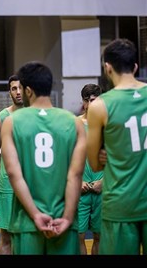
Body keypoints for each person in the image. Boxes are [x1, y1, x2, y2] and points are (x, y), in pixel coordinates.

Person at [1, 61, 86, 255]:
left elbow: (14, 174)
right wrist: (67, 217)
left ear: (28, 90)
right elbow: (75, 175)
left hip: (27, 222)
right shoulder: (74, 123)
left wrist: (36, 215)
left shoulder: (11, 122)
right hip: (63, 222)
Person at [87, 38, 147, 255]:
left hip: (120, 202)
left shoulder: (100, 106)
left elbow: (93, 163)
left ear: (107, 67)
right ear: (135, 67)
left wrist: (108, 151)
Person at [0, 74, 23, 255]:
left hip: (34, 182)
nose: (17, 92)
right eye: (13, 88)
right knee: (6, 234)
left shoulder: (36, 115)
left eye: (20, 87)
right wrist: (7, 171)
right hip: (8, 184)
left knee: (30, 234)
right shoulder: (1, 118)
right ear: (9, 92)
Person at [77, 83, 103, 255]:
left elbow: (116, 157)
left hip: (101, 188)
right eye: (89, 101)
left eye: (95, 100)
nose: (92, 104)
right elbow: (66, 157)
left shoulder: (107, 125)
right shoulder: (75, 124)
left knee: (99, 237)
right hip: (81, 189)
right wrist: (77, 181)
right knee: (78, 236)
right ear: (84, 102)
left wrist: (105, 181)